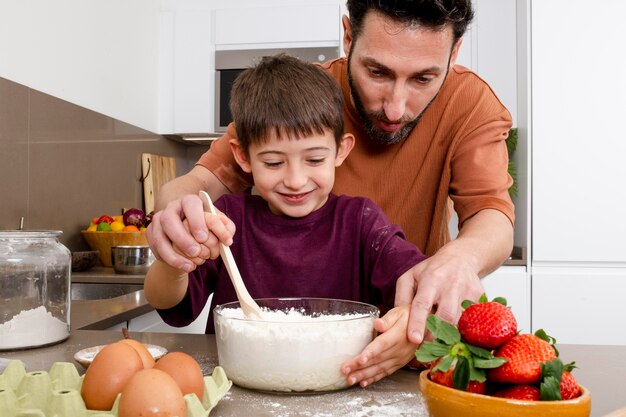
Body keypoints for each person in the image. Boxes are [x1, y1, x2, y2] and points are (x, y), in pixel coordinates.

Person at [147, 0, 515, 386]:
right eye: (377, 72)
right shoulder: (299, 100)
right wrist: (175, 231)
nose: (394, 107)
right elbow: (196, 187)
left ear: (453, 53)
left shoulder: (470, 104)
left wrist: (456, 262)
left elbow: (492, 215)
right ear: (348, 36)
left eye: (423, 78)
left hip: (381, 361)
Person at [144, 54, 427, 386]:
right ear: (243, 157)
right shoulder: (226, 221)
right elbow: (169, 305)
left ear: (340, 151)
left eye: (314, 159)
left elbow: (416, 286)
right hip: (240, 388)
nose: (295, 180)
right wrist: (175, 262)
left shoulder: (361, 222)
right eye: (275, 163)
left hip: (342, 389)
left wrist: (410, 317)